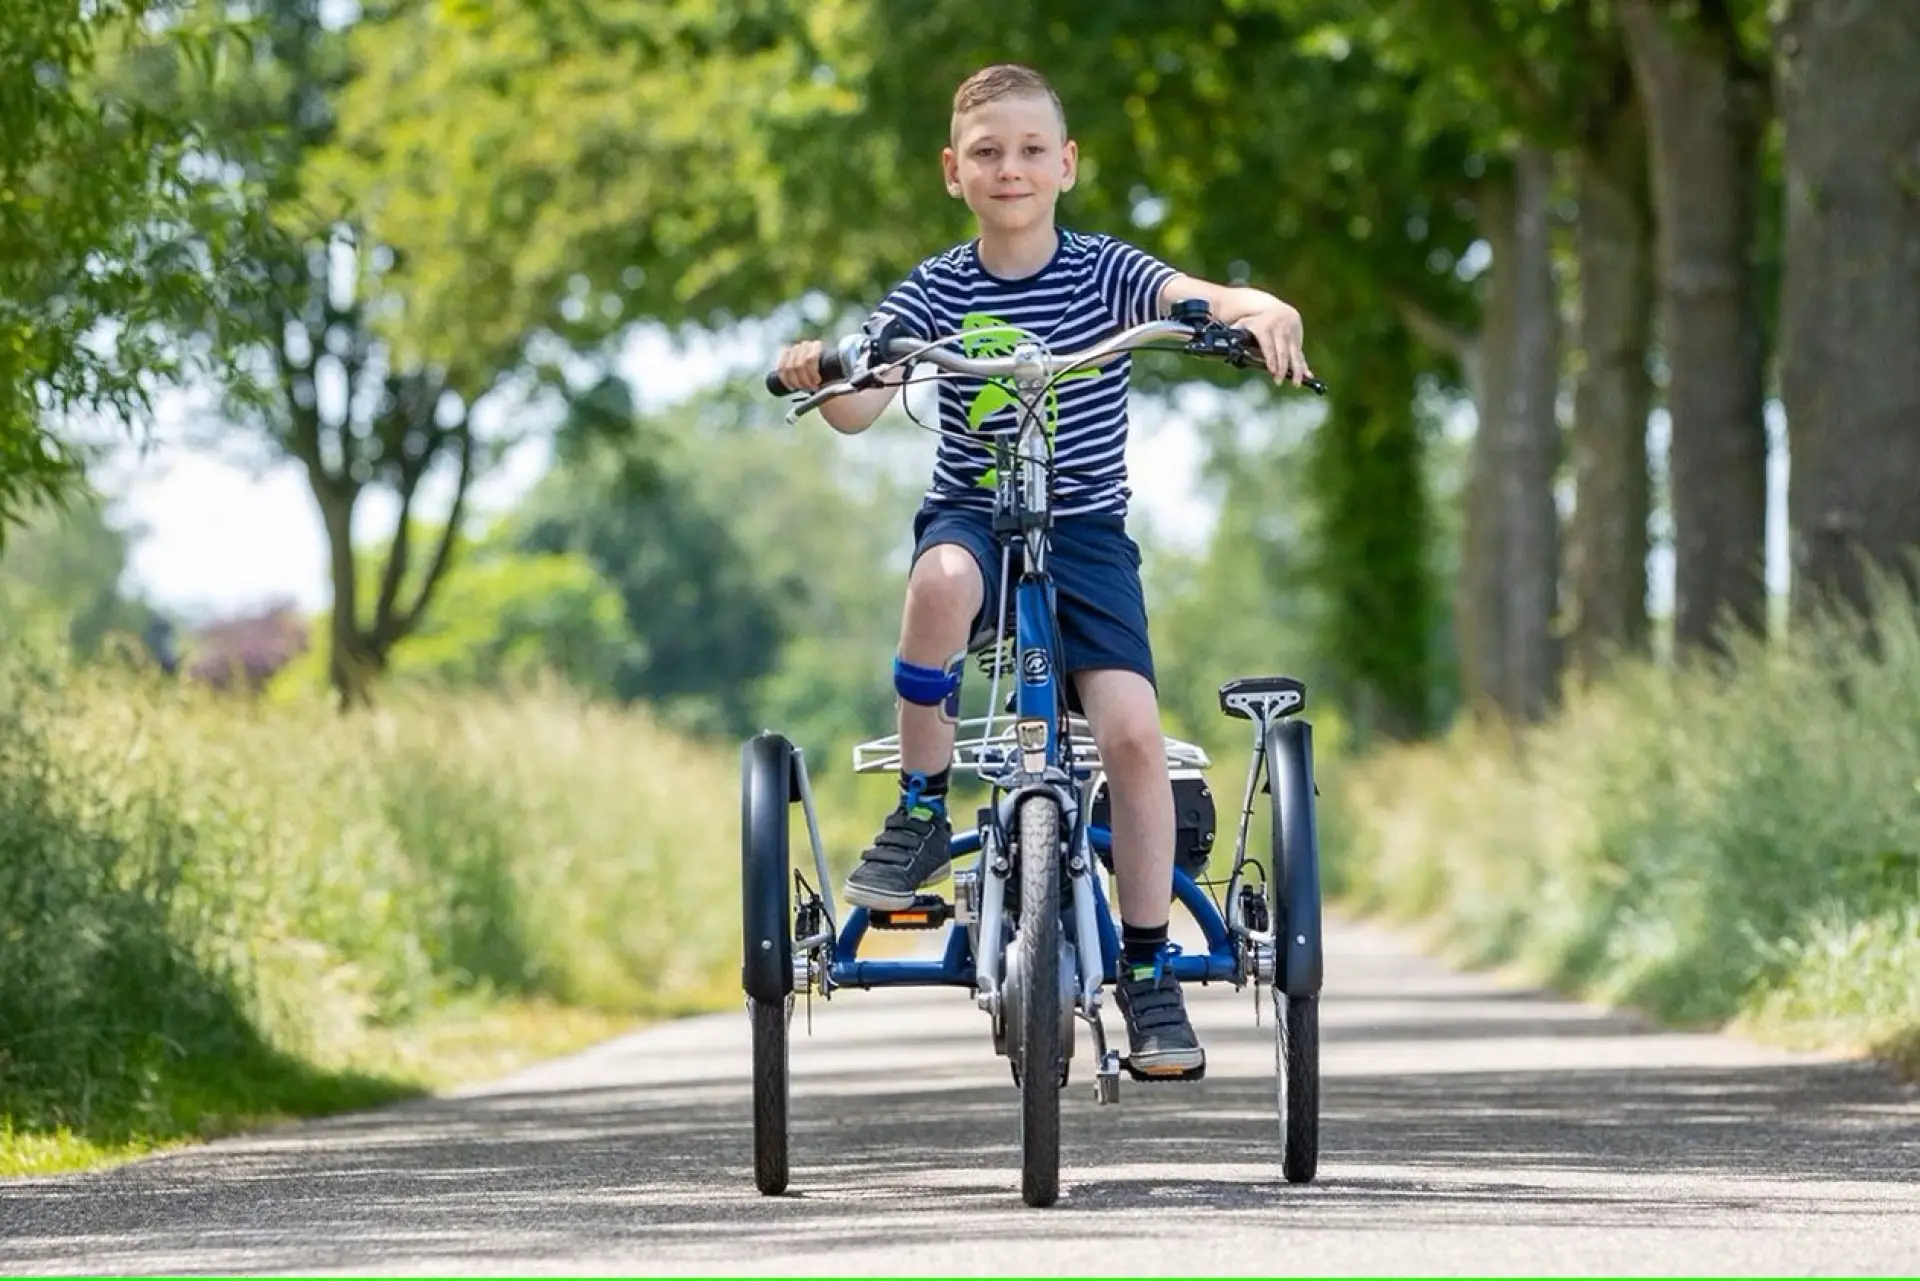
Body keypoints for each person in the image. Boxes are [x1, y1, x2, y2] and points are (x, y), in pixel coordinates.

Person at [771, 62, 1313, 1076]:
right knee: (935, 586)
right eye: (986, 152)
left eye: (1030, 151)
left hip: (1086, 538)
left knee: (1136, 739)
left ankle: (1148, 973)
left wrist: (1258, 307)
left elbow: (1199, 298)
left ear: (1065, 164)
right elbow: (859, 401)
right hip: (973, 518)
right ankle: (923, 811)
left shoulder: (1107, 273)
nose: (1008, 168)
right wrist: (823, 366)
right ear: (953, 170)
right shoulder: (935, 289)